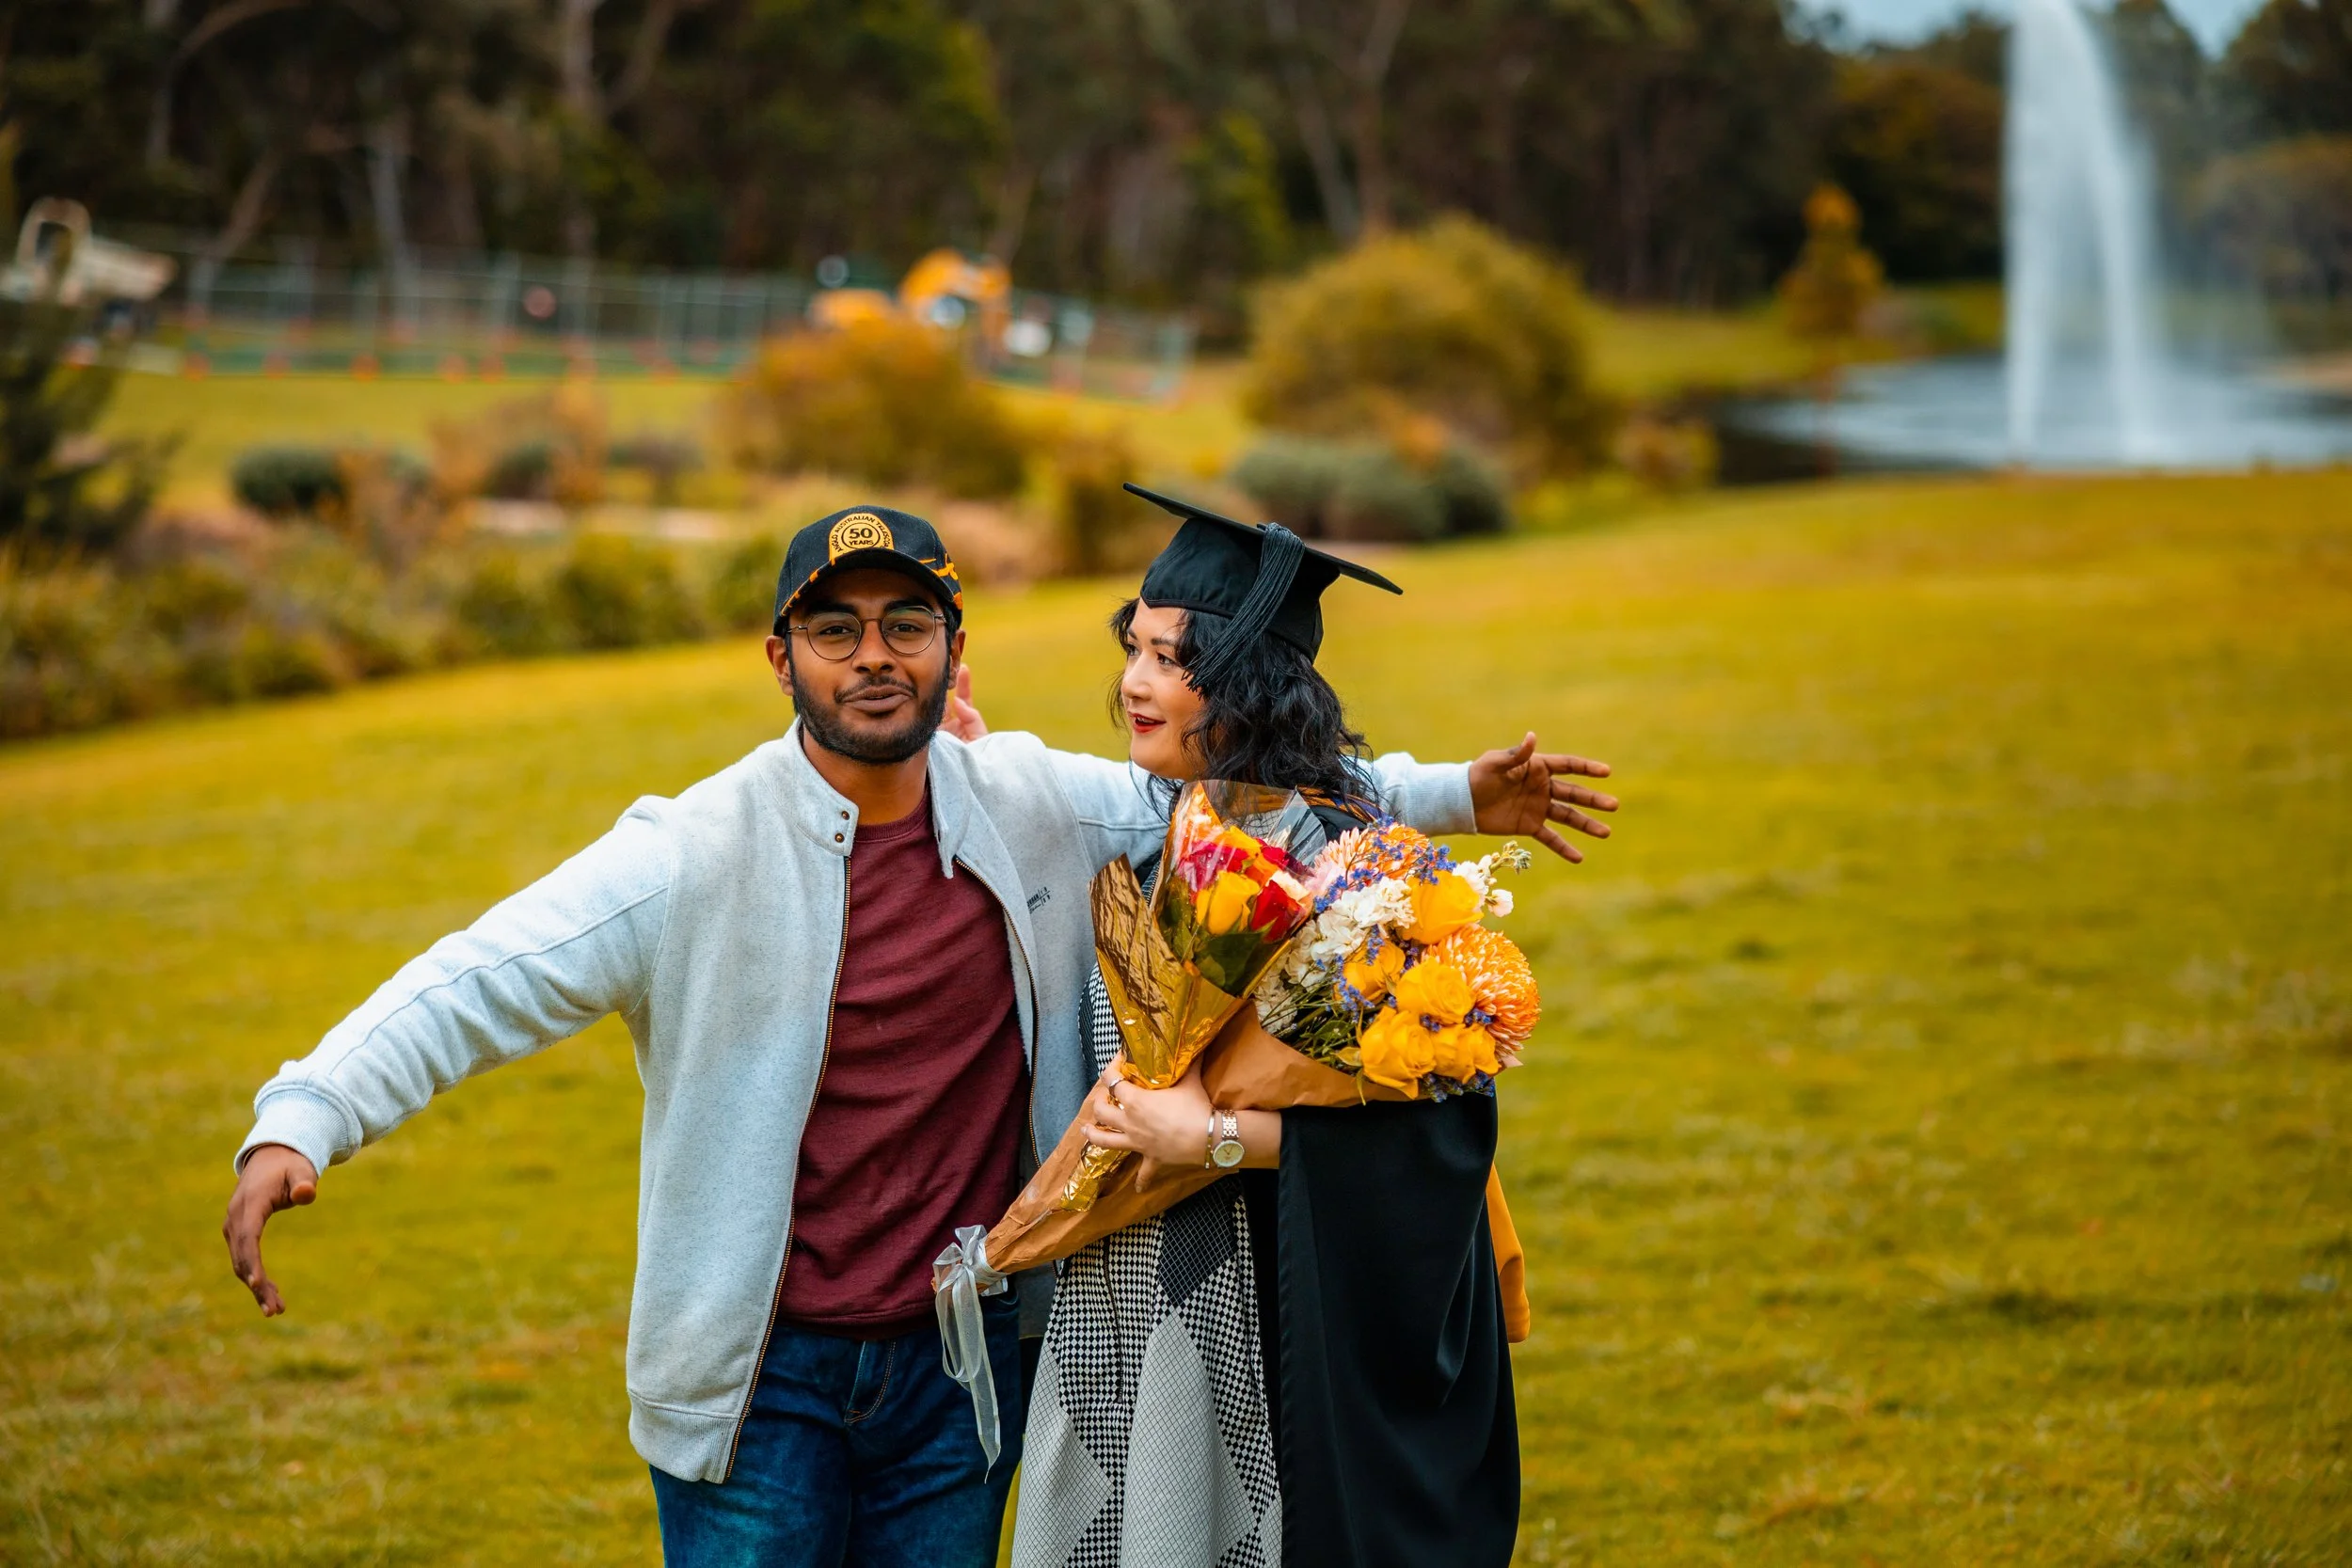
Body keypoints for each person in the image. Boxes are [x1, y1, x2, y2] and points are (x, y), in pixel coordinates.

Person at [218, 501, 1607, 1567]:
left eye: (905, 624)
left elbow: (1253, 785)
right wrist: (308, 1112)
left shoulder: (1029, 800)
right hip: (758, 1384)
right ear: (783, 654)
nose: (873, 657)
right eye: (837, 627)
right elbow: (484, 973)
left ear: (956, 649)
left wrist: (1454, 792)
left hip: (963, 1366)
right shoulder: (695, 850)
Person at [1001, 487, 1616, 1568]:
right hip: (1142, 1293)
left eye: (1171, 659)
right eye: (1132, 648)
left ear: (1244, 685)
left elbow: (1431, 1135)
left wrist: (1207, 1139)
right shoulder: (1177, 823)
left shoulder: (1364, 881)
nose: (1135, 683)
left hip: (1290, 1320)